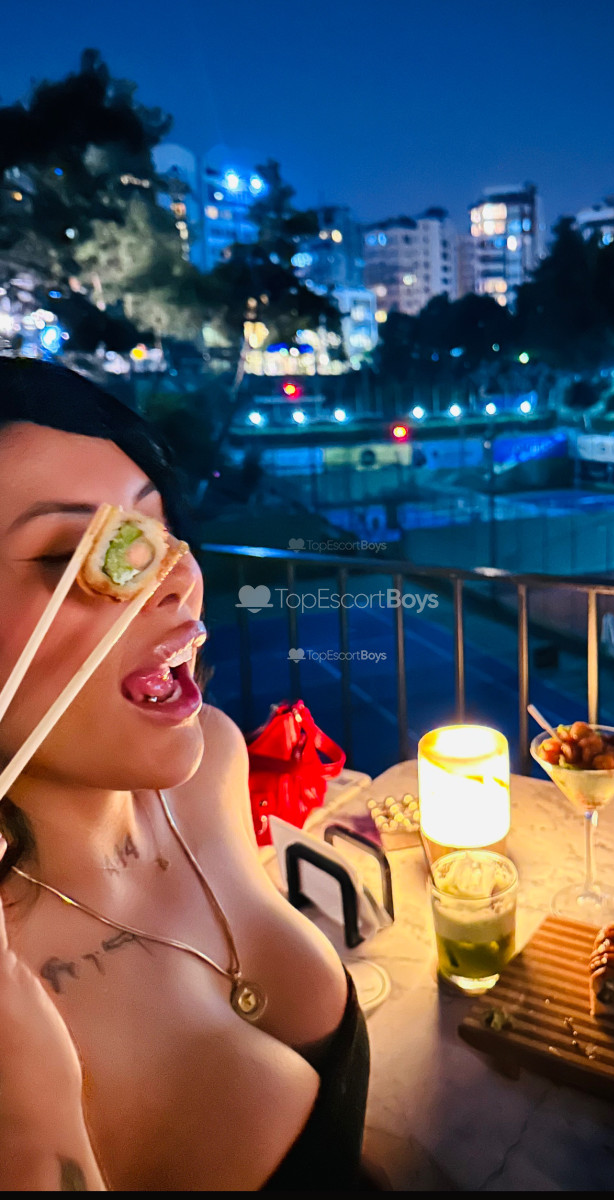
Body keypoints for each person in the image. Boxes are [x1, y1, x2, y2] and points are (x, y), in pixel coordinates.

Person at [0, 357, 371, 1191]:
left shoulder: (211, 763)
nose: (172, 579)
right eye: (69, 553)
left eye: (155, 527)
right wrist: (27, 1126)